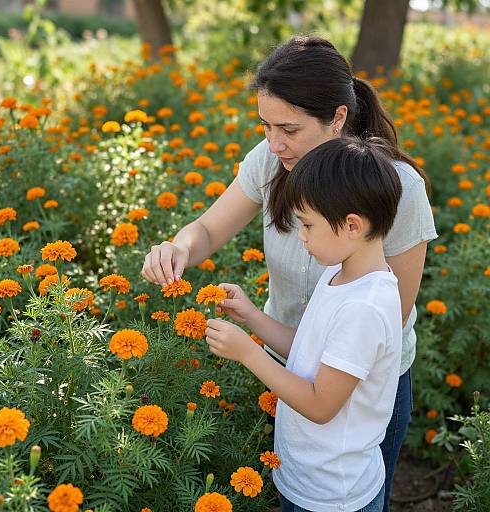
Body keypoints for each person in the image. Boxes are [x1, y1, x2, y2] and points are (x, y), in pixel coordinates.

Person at [141, 36, 438, 510]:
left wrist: (251, 350)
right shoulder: (272, 159)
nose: (273, 142)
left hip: (357, 384)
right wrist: (178, 247)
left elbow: (378, 325)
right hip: (290, 358)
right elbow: (207, 230)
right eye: (264, 125)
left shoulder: (394, 187)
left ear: (337, 116)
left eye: (288, 129)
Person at [205, 136, 404, 512]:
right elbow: (310, 351)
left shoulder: (365, 308)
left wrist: (248, 353)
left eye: (308, 225)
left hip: (335, 495)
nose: (301, 235)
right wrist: (252, 317)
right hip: (305, 477)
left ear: (351, 226)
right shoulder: (340, 274)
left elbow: (320, 404)